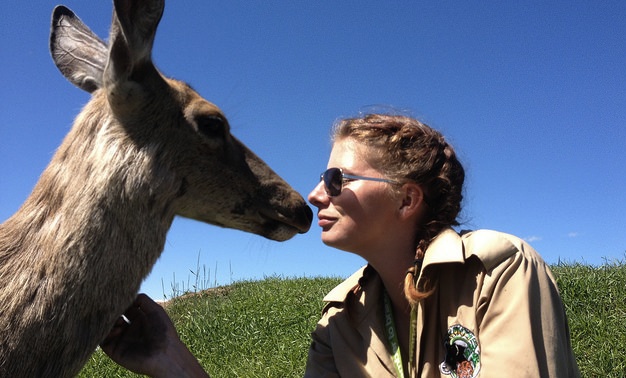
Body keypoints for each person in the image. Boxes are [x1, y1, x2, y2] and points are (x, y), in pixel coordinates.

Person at [101, 113, 580, 377]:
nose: (314, 195)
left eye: (336, 178)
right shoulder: (339, 320)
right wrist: (174, 363)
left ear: (406, 197)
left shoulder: (496, 271)